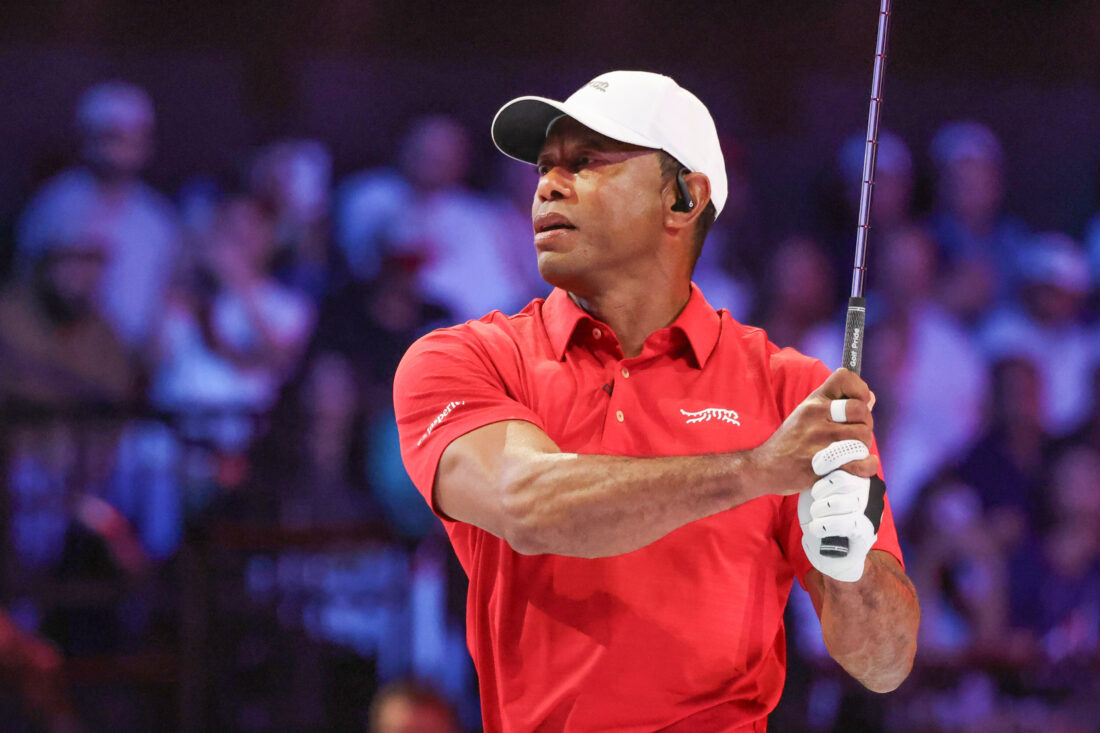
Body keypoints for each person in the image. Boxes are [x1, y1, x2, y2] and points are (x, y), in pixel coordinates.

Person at [393, 71, 918, 731]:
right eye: (546, 166)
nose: (548, 185)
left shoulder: (795, 393)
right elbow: (526, 501)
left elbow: (884, 662)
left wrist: (847, 564)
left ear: (682, 197)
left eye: (586, 162)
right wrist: (757, 469)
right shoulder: (467, 360)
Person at [16, 81, 179, 353]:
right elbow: (26, 284)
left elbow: (165, 297)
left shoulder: (157, 219)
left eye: (133, 138)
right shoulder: (54, 205)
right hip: (59, 356)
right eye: (113, 137)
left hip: (128, 363)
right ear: (88, 139)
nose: (122, 149)